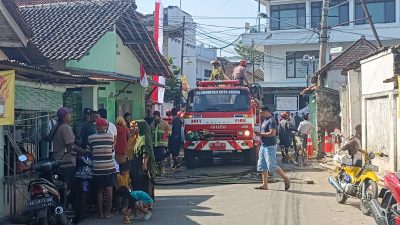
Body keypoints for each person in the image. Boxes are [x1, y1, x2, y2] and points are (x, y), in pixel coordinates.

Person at [48, 107, 87, 207]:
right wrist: (84, 152)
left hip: (59, 161)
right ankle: (64, 209)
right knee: (67, 188)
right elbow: (71, 146)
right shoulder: (65, 127)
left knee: (64, 187)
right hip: (67, 162)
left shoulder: (57, 126)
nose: (70, 116)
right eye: (69, 114)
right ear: (65, 116)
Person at [255, 106, 290, 191]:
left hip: (270, 146)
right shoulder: (265, 120)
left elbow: (272, 133)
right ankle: (264, 185)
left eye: (262, 113)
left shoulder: (272, 121)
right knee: (262, 165)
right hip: (263, 145)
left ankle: (286, 178)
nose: (261, 114)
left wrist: (260, 134)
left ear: (266, 111)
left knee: (272, 165)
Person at [88, 118, 116, 219]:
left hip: (98, 168)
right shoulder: (110, 137)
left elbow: (90, 150)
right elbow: (112, 149)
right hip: (109, 167)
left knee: (99, 191)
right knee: (109, 189)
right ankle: (107, 212)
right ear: (105, 127)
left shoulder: (91, 138)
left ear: (97, 127)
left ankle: (100, 213)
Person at [128, 120, 156, 200]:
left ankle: (145, 203)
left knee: (144, 184)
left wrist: (144, 165)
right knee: (138, 184)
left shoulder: (144, 138)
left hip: (142, 164)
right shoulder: (139, 137)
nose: (136, 128)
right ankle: (140, 202)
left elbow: (145, 152)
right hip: (136, 163)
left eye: (137, 126)